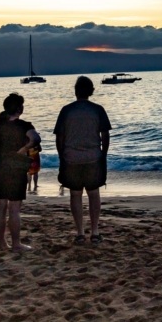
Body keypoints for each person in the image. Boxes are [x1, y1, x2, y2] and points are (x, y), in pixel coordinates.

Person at [0, 93, 40, 252]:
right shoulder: (24, 126)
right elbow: (35, 139)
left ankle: (2, 243)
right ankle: (16, 244)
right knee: (14, 208)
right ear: (20, 109)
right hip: (16, 168)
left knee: (0, 205)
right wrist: (24, 149)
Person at [54, 76, 111, 244]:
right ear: (91, 91)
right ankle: (94, 231)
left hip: (71, 158)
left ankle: (80, 232)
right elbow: (105, 135)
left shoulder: (67, 110)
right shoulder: (97, 109)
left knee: (75, 195)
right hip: (93, 157)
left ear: (76, 91)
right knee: (94, 194)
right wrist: (103, 154)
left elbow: (60, 137)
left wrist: (61, 155)